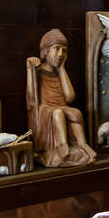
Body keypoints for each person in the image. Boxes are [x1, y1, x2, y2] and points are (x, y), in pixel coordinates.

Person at [26, 28, 96, 168]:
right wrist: (29, 69)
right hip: (44, 111)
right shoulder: (38, 72)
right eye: (56, 49)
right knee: (58, 113)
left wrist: (62, 69)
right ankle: (63, 146)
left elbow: (69, 98)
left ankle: (82, 145)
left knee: (76, 112)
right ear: (45, 51)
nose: (60, 54)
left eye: (64, 50)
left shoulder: (59, 73)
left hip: (61, 107)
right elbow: (32, 98)